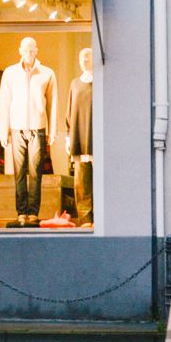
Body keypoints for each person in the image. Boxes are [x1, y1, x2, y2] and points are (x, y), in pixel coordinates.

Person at [0, 36, 58, 228]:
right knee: (19, 173)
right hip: (17, 128)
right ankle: (21, 212)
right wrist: (2, 130)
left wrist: (52, 130)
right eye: (26, 49)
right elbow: (4, 103)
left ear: (37, 50)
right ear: (19, 50)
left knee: (35, 173)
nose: (29, 53)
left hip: (38, 128)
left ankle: (33, 212)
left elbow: (53, 103)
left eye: (32, 50)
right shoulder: (10, 73)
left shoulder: (47, 73)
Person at [66, 48, 94, 227]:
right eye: (81, 58)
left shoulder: (100, 82)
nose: (83, 61)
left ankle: (100, 216)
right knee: (81, 181)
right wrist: (68, 138)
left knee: (98, 179)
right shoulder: (75, 84)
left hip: (95, 136)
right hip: (79, 136)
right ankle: (85, 218)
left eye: (87, 58)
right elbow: (69, 112)